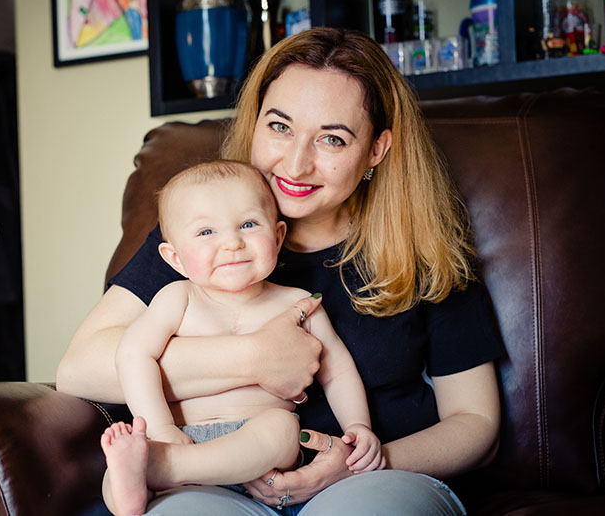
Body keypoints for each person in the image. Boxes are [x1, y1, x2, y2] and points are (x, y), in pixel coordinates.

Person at [58, 27, 503, 515]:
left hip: (375, 480)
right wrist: (253, 358)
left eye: (332, 139)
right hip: (207, 476)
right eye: (280, 126)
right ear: (254, 123)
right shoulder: (202, 237)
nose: (295, 163)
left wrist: (364, 461)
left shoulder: (425, 251)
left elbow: (476, 423)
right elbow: (79, 370)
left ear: (376, 149)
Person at [100, 160, 383, 515]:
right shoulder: (178, 298)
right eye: (206, 232)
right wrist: (161, 429)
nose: (232, 243)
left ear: (278, 236)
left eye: (248, 224)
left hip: (259, 452)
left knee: (282, 429)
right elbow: (132, 355)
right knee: (117, 466)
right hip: (181, 435)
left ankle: (165, 470)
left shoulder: (298, 303)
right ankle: (131, 493)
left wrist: (358, 427)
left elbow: (338, 370)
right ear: (174, 258)